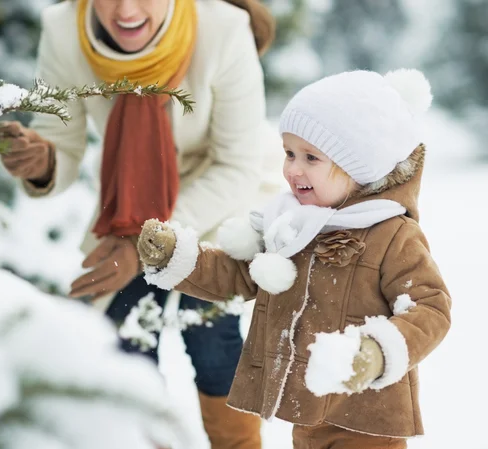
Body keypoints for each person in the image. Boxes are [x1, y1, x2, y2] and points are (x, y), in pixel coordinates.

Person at [0, 0, 280, 447]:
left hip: (216, 199)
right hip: (128, 199)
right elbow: (60, 139)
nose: (125, 9)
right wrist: (42, 160)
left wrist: (144, 245)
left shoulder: (225, 29)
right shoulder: (63, 29)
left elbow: (236, 168)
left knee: (209, 335)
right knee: (123, 342)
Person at [137, 68, 452, 449]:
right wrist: (178, 257)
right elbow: (238, 276)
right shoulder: (292, 224)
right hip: (308, 409)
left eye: (310, 157)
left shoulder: (392, 234)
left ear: (359, 164)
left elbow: (431, 308)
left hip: (369, 417)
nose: (293, 169)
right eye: (288, 153)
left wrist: (375, 352)